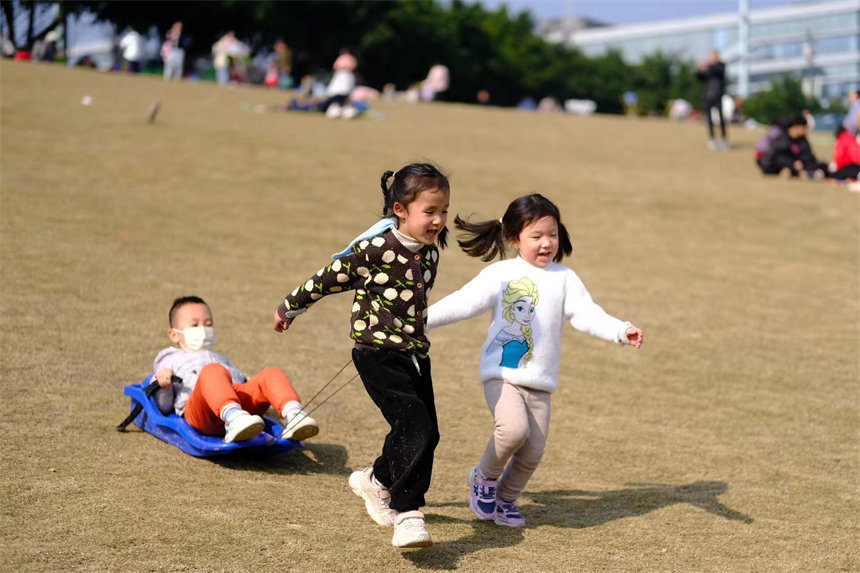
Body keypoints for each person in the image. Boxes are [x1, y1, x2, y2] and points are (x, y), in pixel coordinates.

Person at [426, 194, 643, 528]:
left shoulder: (565, 278)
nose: (547, 243)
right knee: (513, 431)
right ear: (514, 239)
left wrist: (620, 329)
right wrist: (420, 319)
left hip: (540, 382)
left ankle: (505, 500)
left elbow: (586, 314)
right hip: (503, 374)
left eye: (552, 235)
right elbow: (463, 302)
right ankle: (483, 478)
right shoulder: (501, 273)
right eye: (536, 236)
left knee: (532, 452)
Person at [273, 163, 451, 549]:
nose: (438, 220)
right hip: (377, 355)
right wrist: (290, 307)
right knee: (414, 426)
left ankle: (376, 480)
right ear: (401, 210)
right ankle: (407, 513)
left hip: (415, 356)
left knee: (426, 432)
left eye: (444, 211)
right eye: (430, 211)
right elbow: (328, 276)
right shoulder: (376, 249)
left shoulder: (431, 254)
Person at [153, 296, 319, 443]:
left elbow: (243, 384)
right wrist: (164, 385)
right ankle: (233, 419)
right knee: (212, 371)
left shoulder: (220, 357)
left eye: (208, 324)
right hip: (201, 411)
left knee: (270, 373)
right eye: (195, 325)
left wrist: (257, 385)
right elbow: (163, 407)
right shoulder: (171, 358)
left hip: (239, 403)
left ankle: (295, 415)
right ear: (174, 334)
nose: (203, 329)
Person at [757, 116, 829, 179]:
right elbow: (776, 156)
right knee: (781, 161)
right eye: (804, 128)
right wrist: (792, 163)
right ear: (796, 127)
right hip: (773, 164)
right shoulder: (782, 137)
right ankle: (794, 172)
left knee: (821, 166)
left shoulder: (802, 139)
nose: (806, 131)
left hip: (796, 165)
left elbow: (807, 155)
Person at [697, 50, 728, 150]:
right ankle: (712, 139)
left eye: (713, 56)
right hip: (708, 96)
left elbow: (719, 72)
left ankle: (724, 140)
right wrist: (701, 69)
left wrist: (709, 64)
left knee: (721, 119)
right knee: (709, 119)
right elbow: (701, 79)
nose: (711, 58)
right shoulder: (709, 68)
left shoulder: (721, 66)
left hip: (718, 95)